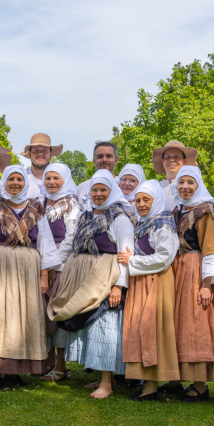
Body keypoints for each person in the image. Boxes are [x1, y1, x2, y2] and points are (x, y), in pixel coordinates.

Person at [49, 170, 134, 398]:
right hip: (86, 277)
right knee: (92, 328)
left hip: (106, 277)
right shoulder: (86, 216)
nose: (98, 194)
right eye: (94, 190)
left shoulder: (120, 219)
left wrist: (119, 287)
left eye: (103, 190)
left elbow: (126, 254)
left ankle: (106, 383)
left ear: (112, 191)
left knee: (104, 328)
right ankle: (106, 378)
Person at [0, 165, 60, 389]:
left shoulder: (36, 208)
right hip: (0, 266)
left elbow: (45, 242)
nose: (15, 183)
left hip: (28, 268)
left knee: (25, 317)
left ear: (25, 182)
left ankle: (15, 372)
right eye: (11, 179)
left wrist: (44, 276)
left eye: (19, 179)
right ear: (4, 181)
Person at [163, 166, 214, 401]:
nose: (185, 187)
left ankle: (199, 384)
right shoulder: (177, 210)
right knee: (177, 323)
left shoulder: (204, 211)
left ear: (198, 185)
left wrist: (207, 285)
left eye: (190, 182)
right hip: (177, 269)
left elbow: (211, 249)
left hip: (196, 270)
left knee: (196, 323)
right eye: (181, 182)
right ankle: (174, 379)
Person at [118, 179, 180, 401]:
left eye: (146, 199)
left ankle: (152, 386)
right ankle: (147, 381)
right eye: (138, 200)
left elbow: (164, 257)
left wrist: (132, 261)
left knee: (151, 329)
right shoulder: (144, 222)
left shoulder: (163, 224)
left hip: (156, 282)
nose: (141, 204)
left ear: (157, 201)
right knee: (140, 328)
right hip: (142, 280)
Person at [38, 163, 81, 383]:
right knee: (42, 312)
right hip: (40, 264)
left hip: (61, 266)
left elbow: (71, 238)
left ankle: (61, 365)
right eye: (48, 178)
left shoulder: (71, 204)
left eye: (56, 178)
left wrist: (54, 264)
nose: (51, 182)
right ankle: (47, 360)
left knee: (59, 312)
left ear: (65, 180)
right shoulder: (39, 203)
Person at [151, 141, 198, 211]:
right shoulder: (154, 188)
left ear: (184, 161)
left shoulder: (192, 188)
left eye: (177, 156)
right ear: (162, 161)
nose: (172, 160)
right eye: (168, 156)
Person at [76, 141, 118, 211]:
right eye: (100, 156)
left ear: (116, 160)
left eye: (108, 156)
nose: (104, 159)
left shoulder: (124, 186)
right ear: (94, 161)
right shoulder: (81, 188)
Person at [19, 133, 63, 199]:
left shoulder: (63, 179)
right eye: (36, 150)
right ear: (30, 154)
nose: (40, 154)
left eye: (44, 150)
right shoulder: (20, 179)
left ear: (51, 154)